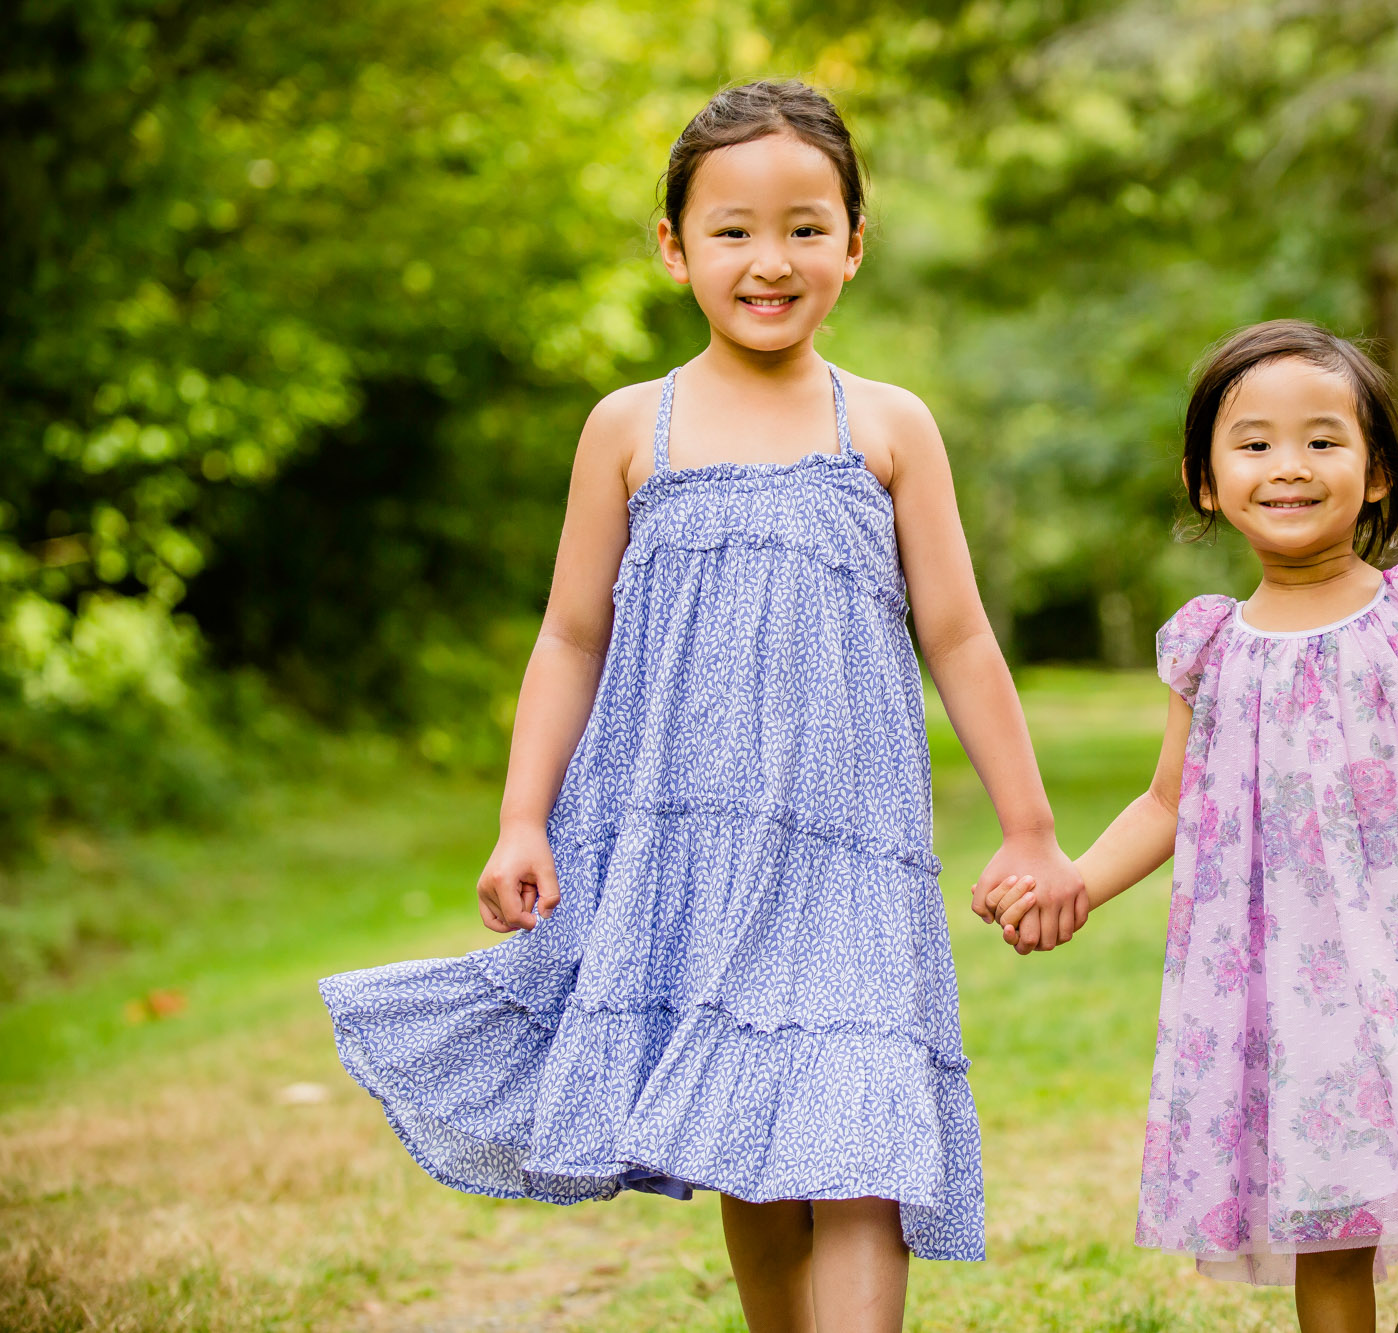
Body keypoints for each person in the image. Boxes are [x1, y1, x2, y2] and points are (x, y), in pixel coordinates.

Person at [320, 80, 1086, 1333]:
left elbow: (956, 631)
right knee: (750, 1130)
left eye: (804, 226)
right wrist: (523, 820)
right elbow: (570, 635)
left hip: (847, 846)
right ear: (674, 248)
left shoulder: (886, 426)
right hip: (689, 842)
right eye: (732, 229)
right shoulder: (633, 427)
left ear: (853, 243)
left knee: (856, 1141)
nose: (769, 259)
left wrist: (1030, 828)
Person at [976, 320, 1398, 1333]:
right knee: (1324, 1194)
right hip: (1285, 973)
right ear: (1204, 480)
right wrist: (1075, 878)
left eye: (1321, 440)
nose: (1287, 466)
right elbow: (1168, 801)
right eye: (1251, 444)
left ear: (1376, 471)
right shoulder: (1207, 646)